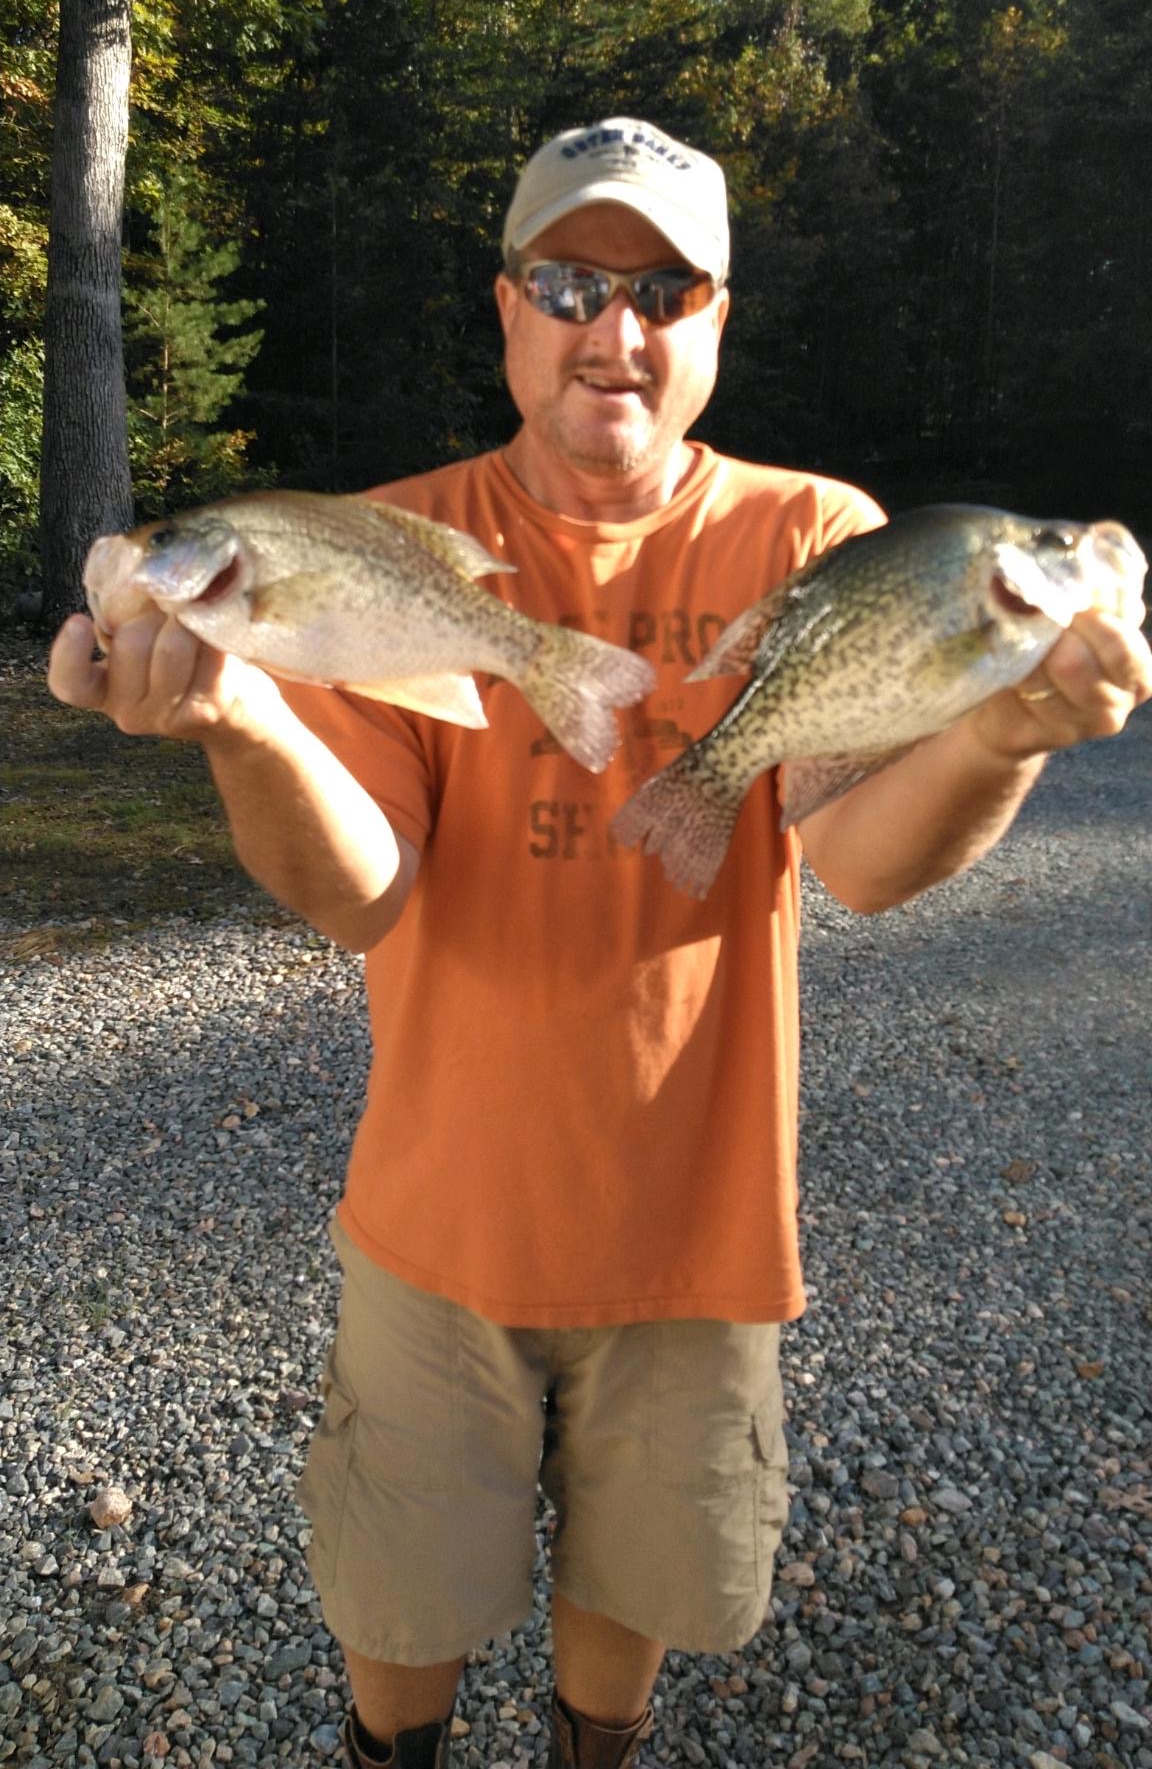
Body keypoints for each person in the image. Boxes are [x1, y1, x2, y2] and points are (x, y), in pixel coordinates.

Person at [49, 117, 1152, 1769]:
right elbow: (361, 892)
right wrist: (245, 726)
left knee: (634, 1610)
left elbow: (853, 861)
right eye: (570, 280)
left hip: (700, 1238)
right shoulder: (387, 544)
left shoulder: (815, 538)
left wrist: (1005, 735)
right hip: (439, 1225)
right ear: (508, 308)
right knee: (402, 1621)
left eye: (662, 287)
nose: (611, 330)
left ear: (717, 318)